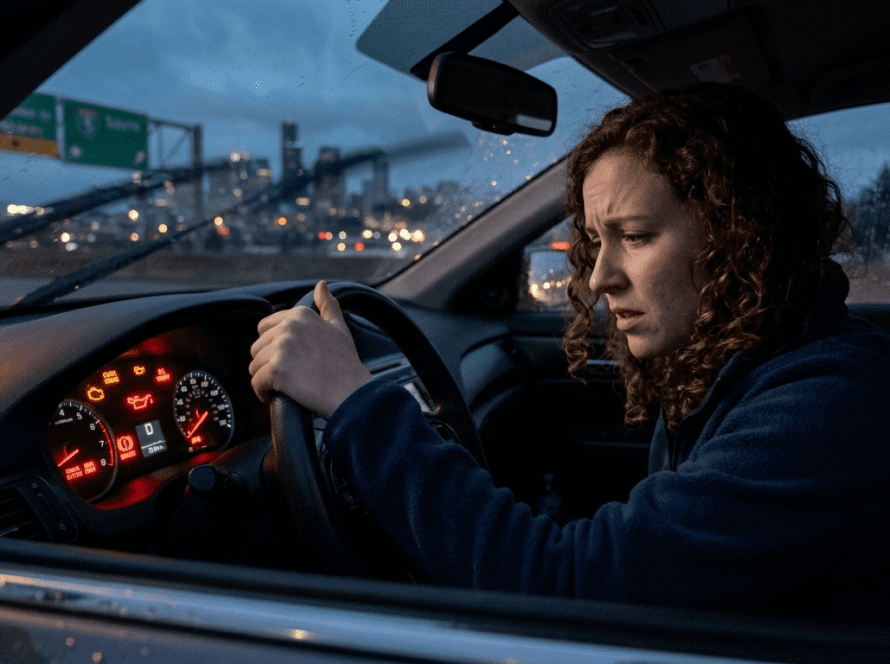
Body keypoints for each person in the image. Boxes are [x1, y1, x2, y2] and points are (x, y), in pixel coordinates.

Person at [249, 83, 890, 619]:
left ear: (741, 237)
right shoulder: (735, 367)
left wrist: (359, 405)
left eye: (634, 236)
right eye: (593, 241)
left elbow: (575, 589)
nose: (599, 277)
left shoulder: (831, 404)